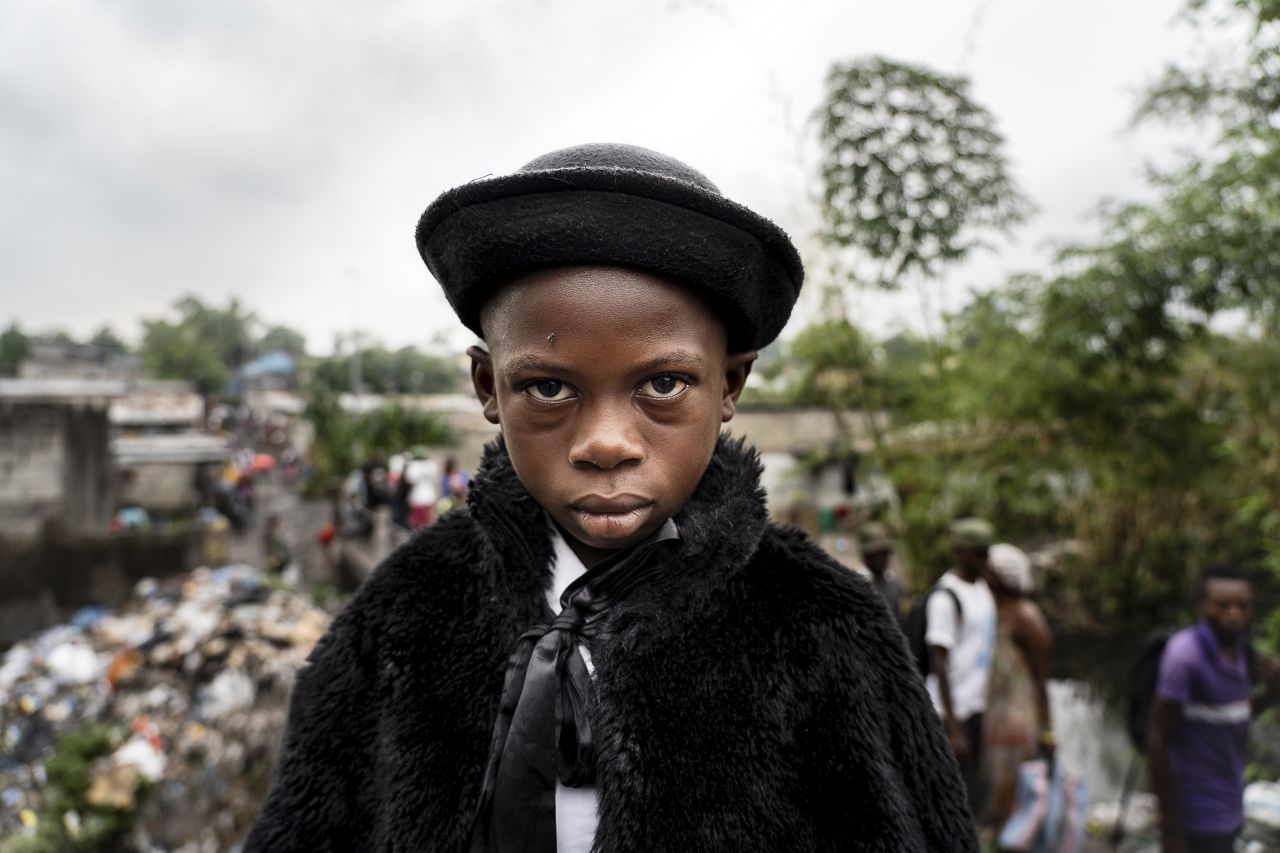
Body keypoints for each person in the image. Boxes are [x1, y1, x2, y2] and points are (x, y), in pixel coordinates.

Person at [247, 143, 976, 851]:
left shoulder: (826, 631)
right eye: (549, 386)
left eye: (663, 384)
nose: (605, 442)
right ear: (486, 387)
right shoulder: (404, 616)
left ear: (729, 385)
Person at [1148, 564, 1277, 853]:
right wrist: (1169, 823)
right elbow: (1158, 738)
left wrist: (1272, 692)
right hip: (1195, 810)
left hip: (1230, 800)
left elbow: (1234, 716)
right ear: (1200, 605)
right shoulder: (1185, 657)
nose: (1234, 614)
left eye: (1243, 606)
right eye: (1223, 605)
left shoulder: (1241, 651)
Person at [927, 516, 998, 817]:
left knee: (970, 791)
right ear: (960, 552)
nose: (983, 559)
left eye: (986, 551)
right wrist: (953, 728)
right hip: (950, 713)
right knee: (947, 795)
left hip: (976, 707)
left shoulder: (982, 588)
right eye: (976, 552)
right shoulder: (944, 597)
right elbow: (938, 661)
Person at [981, 543, 1054, 830]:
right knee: (997, 801)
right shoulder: (991, 609)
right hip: (996, 718)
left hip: (1019, 720)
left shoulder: (1026, 616)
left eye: (989, 570)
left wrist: (1047, 732)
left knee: (1016, 803)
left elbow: (1041, 679)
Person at [859, 521, 902, 618]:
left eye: (884, 554)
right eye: (875, 555)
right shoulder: (860, 590)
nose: (881, 560)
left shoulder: (895, 586)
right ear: (866, 558)